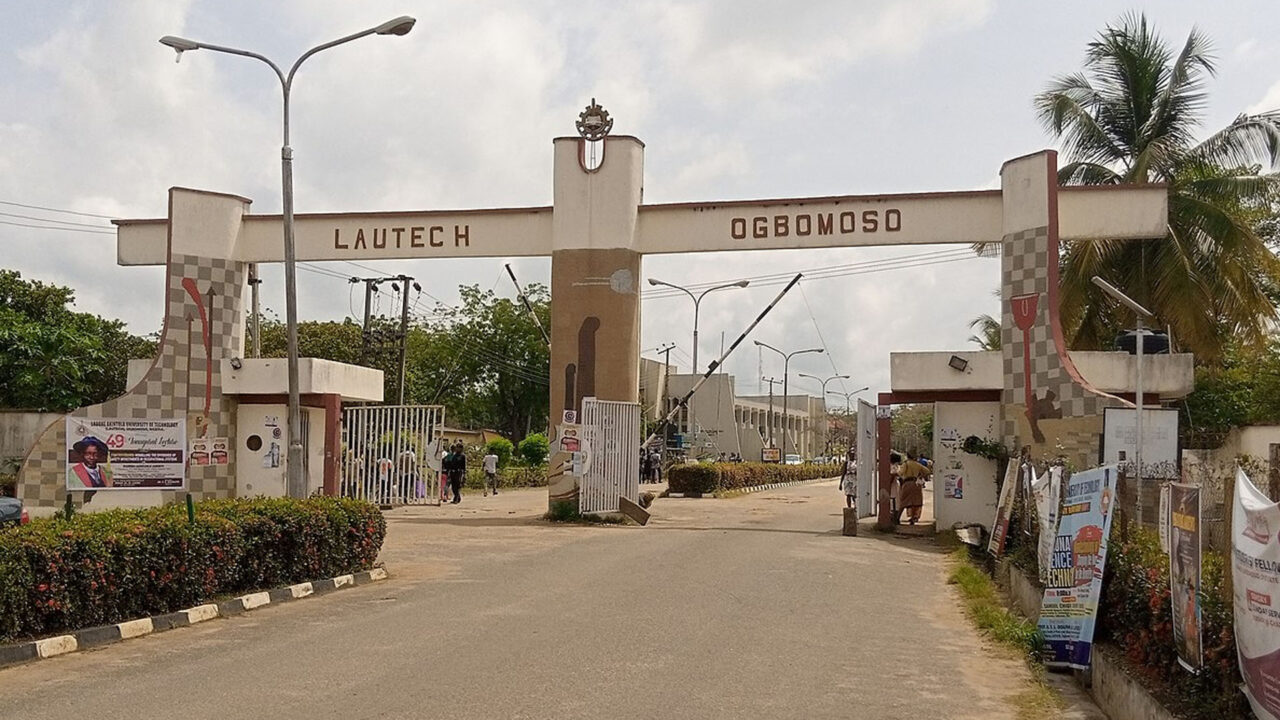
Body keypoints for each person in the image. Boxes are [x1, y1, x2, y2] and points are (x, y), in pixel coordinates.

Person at [896, 452, 931, 525]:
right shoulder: (917, 464)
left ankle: (897, 518)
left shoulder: (906, 464)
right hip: (916, 483)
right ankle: (913, 518)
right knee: (915, 502)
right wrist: (920, 475)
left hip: (907, 483)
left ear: (908, 456)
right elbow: (927, 471)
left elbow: (900, 472)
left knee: (904, 501)